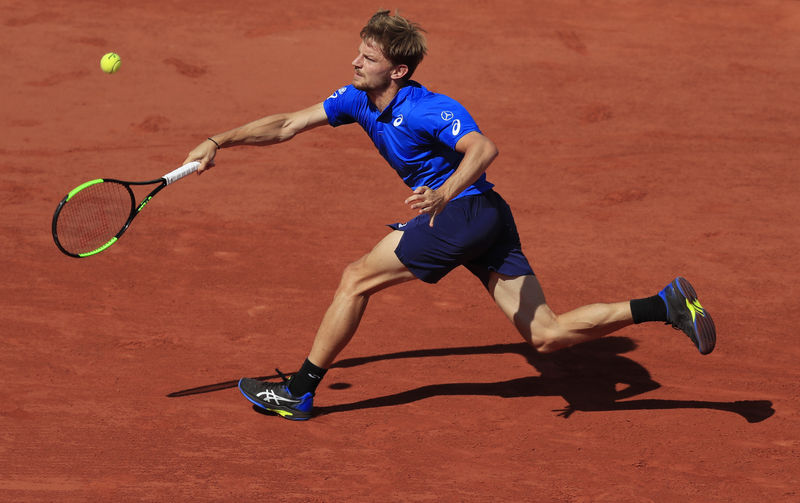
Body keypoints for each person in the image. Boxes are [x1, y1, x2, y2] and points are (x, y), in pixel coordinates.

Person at [182, 10, 716, 421]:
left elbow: (483, 149)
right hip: (483, 219)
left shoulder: (427, 107)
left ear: (398, 69)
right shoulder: (356, 100)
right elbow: (286, 125)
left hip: (460, 212)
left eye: (366, 59)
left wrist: (443, 195)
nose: (354, 63)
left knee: (354, 279)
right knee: (547, 336)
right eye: (358, 54)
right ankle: (665, 304)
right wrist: (217, 141)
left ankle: (298, 391)